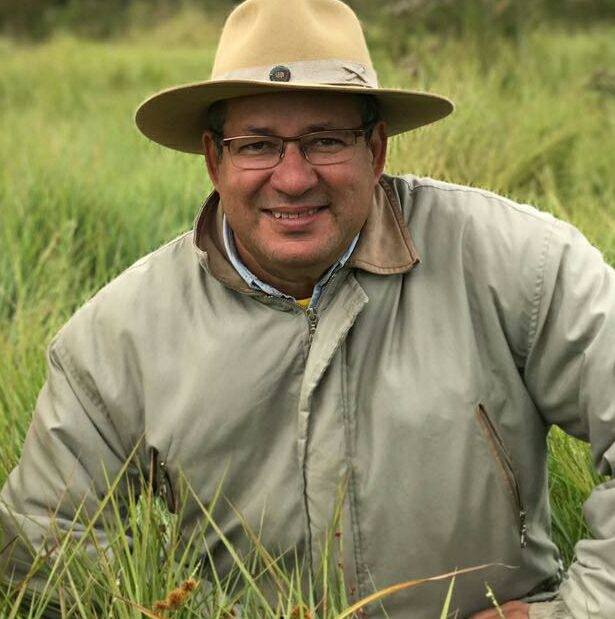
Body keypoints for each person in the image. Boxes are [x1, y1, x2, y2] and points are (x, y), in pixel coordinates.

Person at [1, 0, 614, 617]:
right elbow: (44, 544)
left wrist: (575, 613)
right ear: (215, 160)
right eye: (257, 145)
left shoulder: (519, 264)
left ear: (376, 150)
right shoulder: (119, 334)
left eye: (325, 140)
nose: (293, 178)